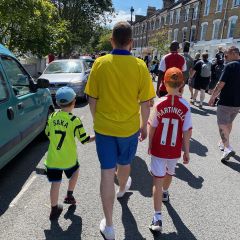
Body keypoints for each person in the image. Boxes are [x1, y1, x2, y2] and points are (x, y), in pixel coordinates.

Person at [85, 21, 155, 240]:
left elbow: (91, 99)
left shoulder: (100, 63)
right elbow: (146, 103)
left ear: (111, 40)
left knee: (106, 172)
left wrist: (98, 121)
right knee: (125, 163)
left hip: (105, 128)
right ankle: (123, 188)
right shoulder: (140, 66)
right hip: (129, 127)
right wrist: (144, 126)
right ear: (131, 43)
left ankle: (110, 226)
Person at [148, 67, 192, 232]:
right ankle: (165, 192)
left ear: (165, 84)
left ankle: (157, 217)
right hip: (174, 150)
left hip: (159, 147)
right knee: (169, 173)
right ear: (181, 85)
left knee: (157, 181)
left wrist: (150, 143)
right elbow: (187, 130)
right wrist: (186, 151)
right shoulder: (186, 106)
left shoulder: (159, 103)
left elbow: (152, 126)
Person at [44, 87, 95, 220]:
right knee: (75, 171)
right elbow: (84, 139)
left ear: (58, 103)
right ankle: (69, 195)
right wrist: (97, 136)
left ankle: (54, 209)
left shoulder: (52, 116)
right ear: (74, 103)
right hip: (68, 159)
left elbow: (48, 133)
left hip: (53, 159)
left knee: (55, 183)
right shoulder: (74, 120)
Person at [209, 46, 240, 162]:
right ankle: (223, 143)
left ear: (233, 53)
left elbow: (220, 84)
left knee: (222, 124)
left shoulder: (230, 66)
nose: (225, 58)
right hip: (237, 104)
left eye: (226, 55)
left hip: (226, 101)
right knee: (229, 123)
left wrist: (213, 97)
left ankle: (227, 148)